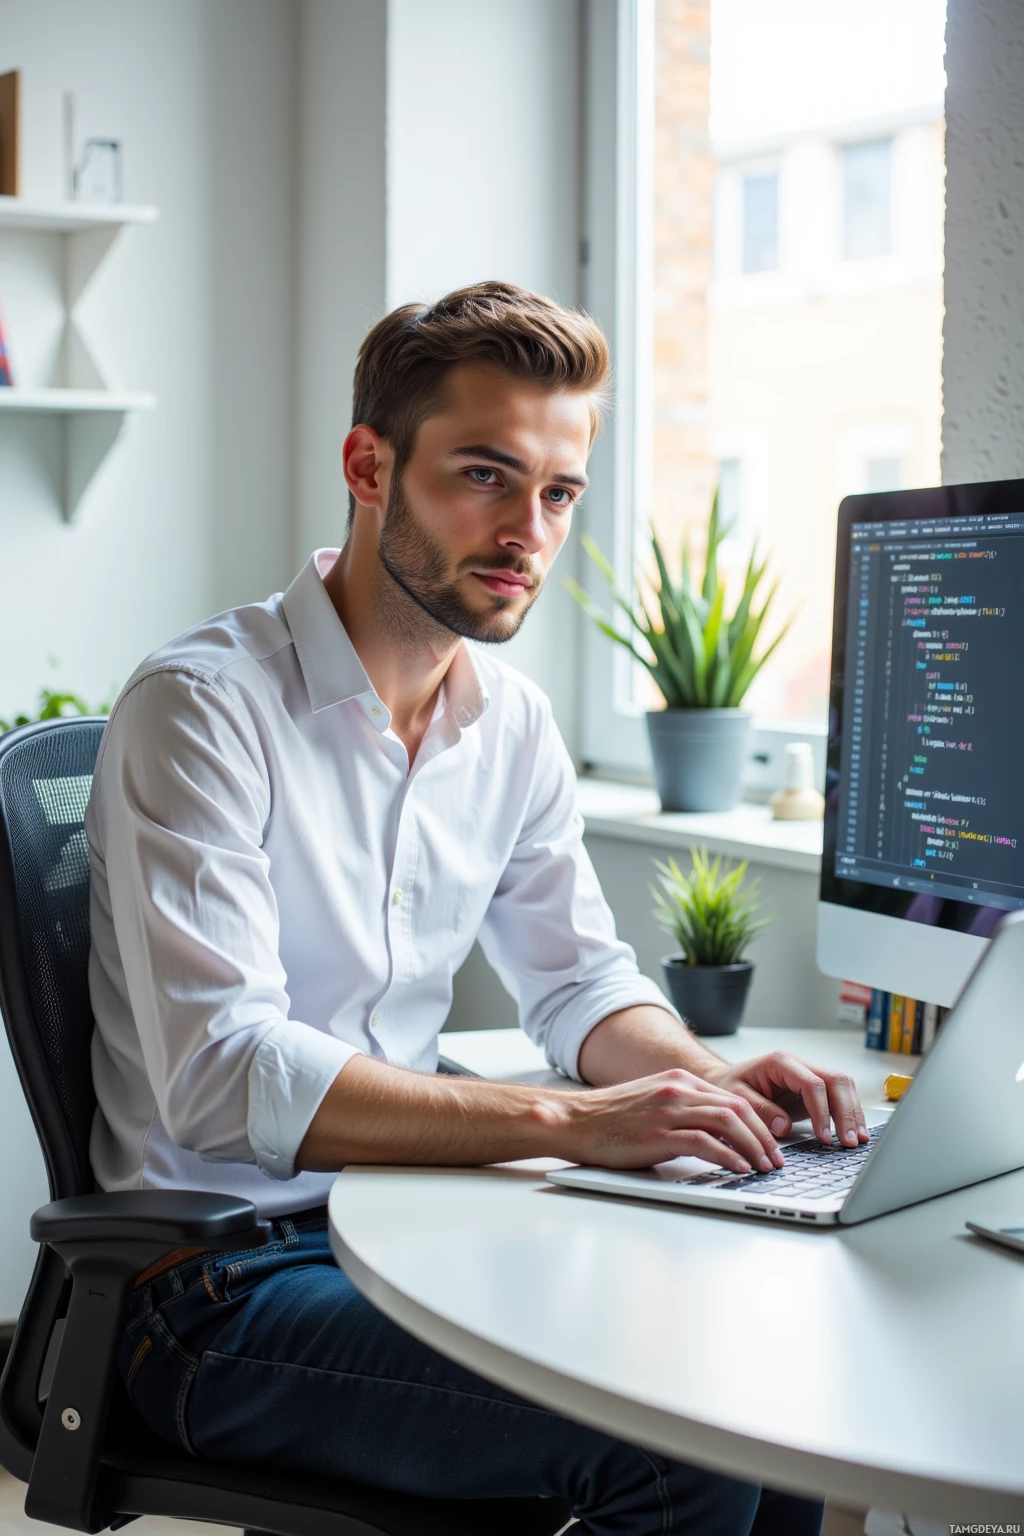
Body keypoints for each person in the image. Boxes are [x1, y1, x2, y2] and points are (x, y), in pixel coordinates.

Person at [88, 281, 864, 1535]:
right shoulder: (205, 708)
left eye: (557, 494)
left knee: (764, 1384)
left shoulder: (509, 725)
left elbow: (580, 982)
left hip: (405, 1228)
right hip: (206, 1293)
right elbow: (225, 1077)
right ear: (367, 465)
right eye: (486, 477)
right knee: (679, 1443)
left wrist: (694, 1082)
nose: (528, 532)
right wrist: (579, 1121)